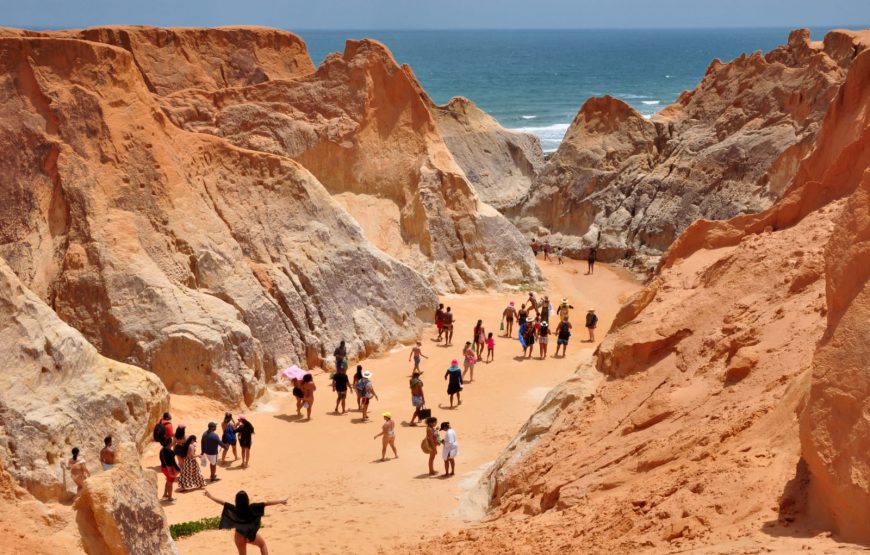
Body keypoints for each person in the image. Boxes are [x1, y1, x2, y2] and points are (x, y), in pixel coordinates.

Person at [204, 489, 287, 555]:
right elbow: (267, 503)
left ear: (236, 500)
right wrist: (281, 501)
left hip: (239, 536)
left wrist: (210, 496)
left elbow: (222, 502)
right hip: (250, 535)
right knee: (262, 545)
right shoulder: (253, 507)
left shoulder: (234, 509)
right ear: (247, 499)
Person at [159, 438, 180, 502]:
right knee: (170, 483)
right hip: (169, 469)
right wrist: (178, 469)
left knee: (168, 481)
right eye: (171, 442)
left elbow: (161, 459)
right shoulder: (171, 452)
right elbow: (173, 462)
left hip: (163, 468)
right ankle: (170, 497)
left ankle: (165, 494)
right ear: (169, 443)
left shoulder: (162, 450)